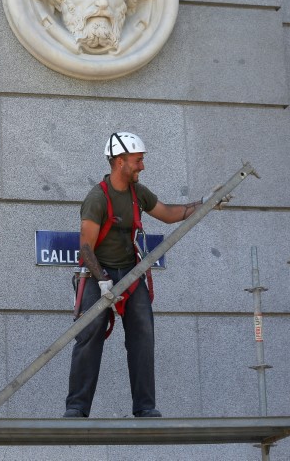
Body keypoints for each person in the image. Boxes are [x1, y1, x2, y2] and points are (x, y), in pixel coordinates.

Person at [64, 132, 231, 418]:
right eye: (138, 161)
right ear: (120, 162)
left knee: (143, 334)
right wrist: (103, 280)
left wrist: (206, 201)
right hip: (97, 273)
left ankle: (144, 407)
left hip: (131, 272)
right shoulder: (97, 199)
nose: (142, 166)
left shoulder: (137, 193)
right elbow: (86, 248)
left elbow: (168, 213)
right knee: (89, 335)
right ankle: (77, 408)